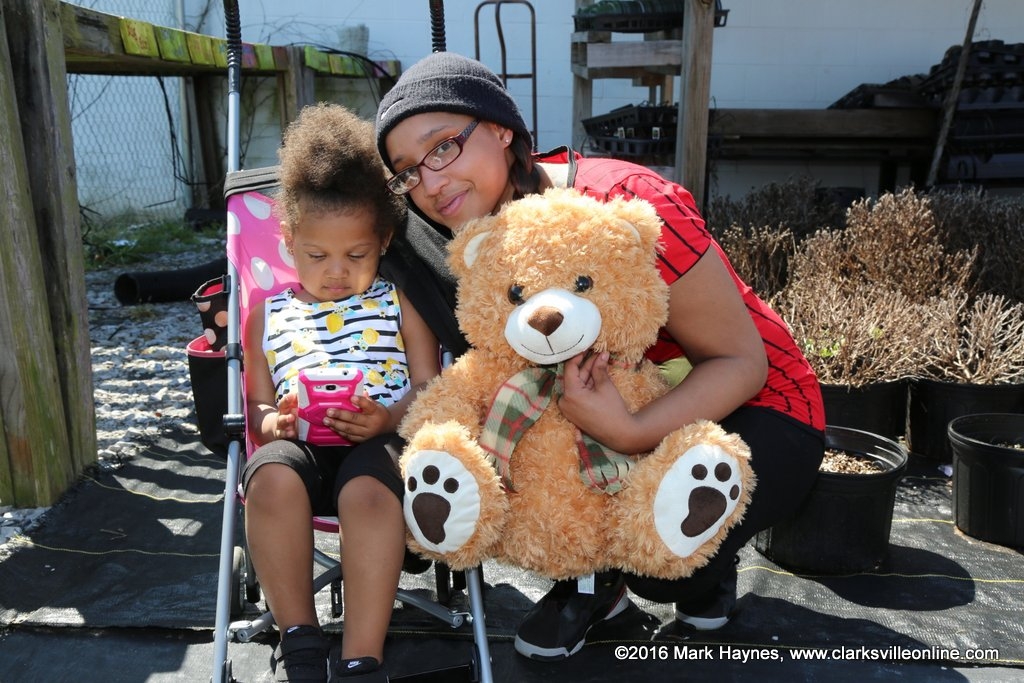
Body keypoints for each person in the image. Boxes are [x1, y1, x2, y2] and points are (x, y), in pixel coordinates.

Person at [375, 52, 826, 662]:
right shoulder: (484, 235)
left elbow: (742, 363)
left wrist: (629, 430)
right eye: (406, 172)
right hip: (612, 407)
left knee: (663, 563)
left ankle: (666, 575)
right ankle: (593, 586)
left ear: (502, 130)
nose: (430, 183)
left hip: (758, 411)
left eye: (443, 147)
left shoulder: (624, 204)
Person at [241, 103, 440, 683]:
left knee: (370, 496)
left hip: (379, 445)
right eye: (316, 255)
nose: (335, 271)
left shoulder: (399, 303)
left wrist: (389, 419)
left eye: (356, 255)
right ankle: (300, 638)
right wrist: (273, 423)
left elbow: (430, 386)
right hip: (300, 448)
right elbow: (256, 405)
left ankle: (361, 654)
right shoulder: (266, 316)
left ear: (383, 240)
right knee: (268, 478)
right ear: (288, 240)